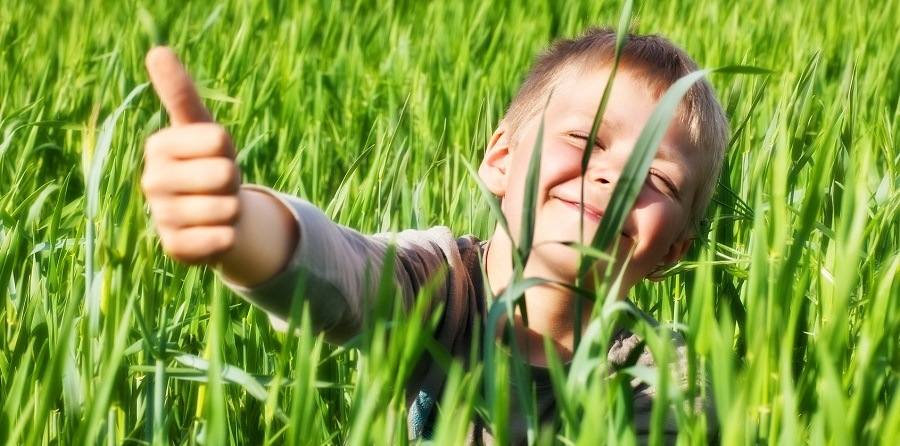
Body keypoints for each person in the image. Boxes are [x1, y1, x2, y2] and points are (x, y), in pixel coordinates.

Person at [141, 26, 728, 444]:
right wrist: (239, 223)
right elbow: (342, 272)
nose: (614, 177)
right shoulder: (440, 284)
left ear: (674, 249)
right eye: (586, 141)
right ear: (500, 158)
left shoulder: (664, 377)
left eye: (656, 177)